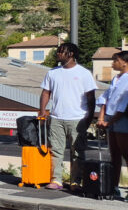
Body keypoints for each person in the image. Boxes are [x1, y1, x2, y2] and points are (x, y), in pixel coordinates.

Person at [39, 42, 97, 191]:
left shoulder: (84, 73)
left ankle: (75, 182)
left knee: (77, 152)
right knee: (55, 150)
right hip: (56, 117)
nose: (58, 53)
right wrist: (42, 110)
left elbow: (91, 98)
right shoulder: (52, 73)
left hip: (78, 119)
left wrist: (89, 118)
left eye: (61, 51)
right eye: (58, 51)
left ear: (70, 54)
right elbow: (46, 93)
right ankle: (56, 180)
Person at [98, 51, 128, 188]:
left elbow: (123, 106)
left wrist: (109, 122)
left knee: (126, 154)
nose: (112, 63)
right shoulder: (116, 78)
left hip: (122, 119)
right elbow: (105, 97)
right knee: (114, 155)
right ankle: (114, 187)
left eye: (116, 60)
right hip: (110, 118)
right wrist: (101, 117)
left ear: (124, 62)